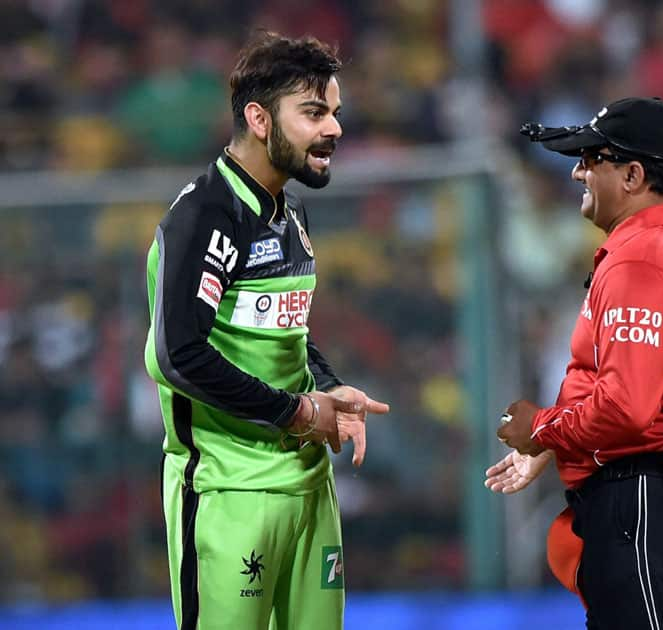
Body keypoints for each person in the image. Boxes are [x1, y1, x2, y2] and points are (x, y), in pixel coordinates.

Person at [144, 32, 389, 630]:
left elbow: (289, 330)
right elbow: (177, 356)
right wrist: (298, 414)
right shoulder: (205, 215)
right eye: (313, 113)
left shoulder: (289, 209)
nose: (332, 128)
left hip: (308, 487)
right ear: (258, 118)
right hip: (231, 495)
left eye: (334, 112)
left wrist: (326, 387)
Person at [487, 97, 663, 629]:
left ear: (632, 175)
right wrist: (555, 446)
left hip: (649, 499)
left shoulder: (643, 259)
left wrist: (541, 428)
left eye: (590, 159)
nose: (578, 171)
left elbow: (626, 408)